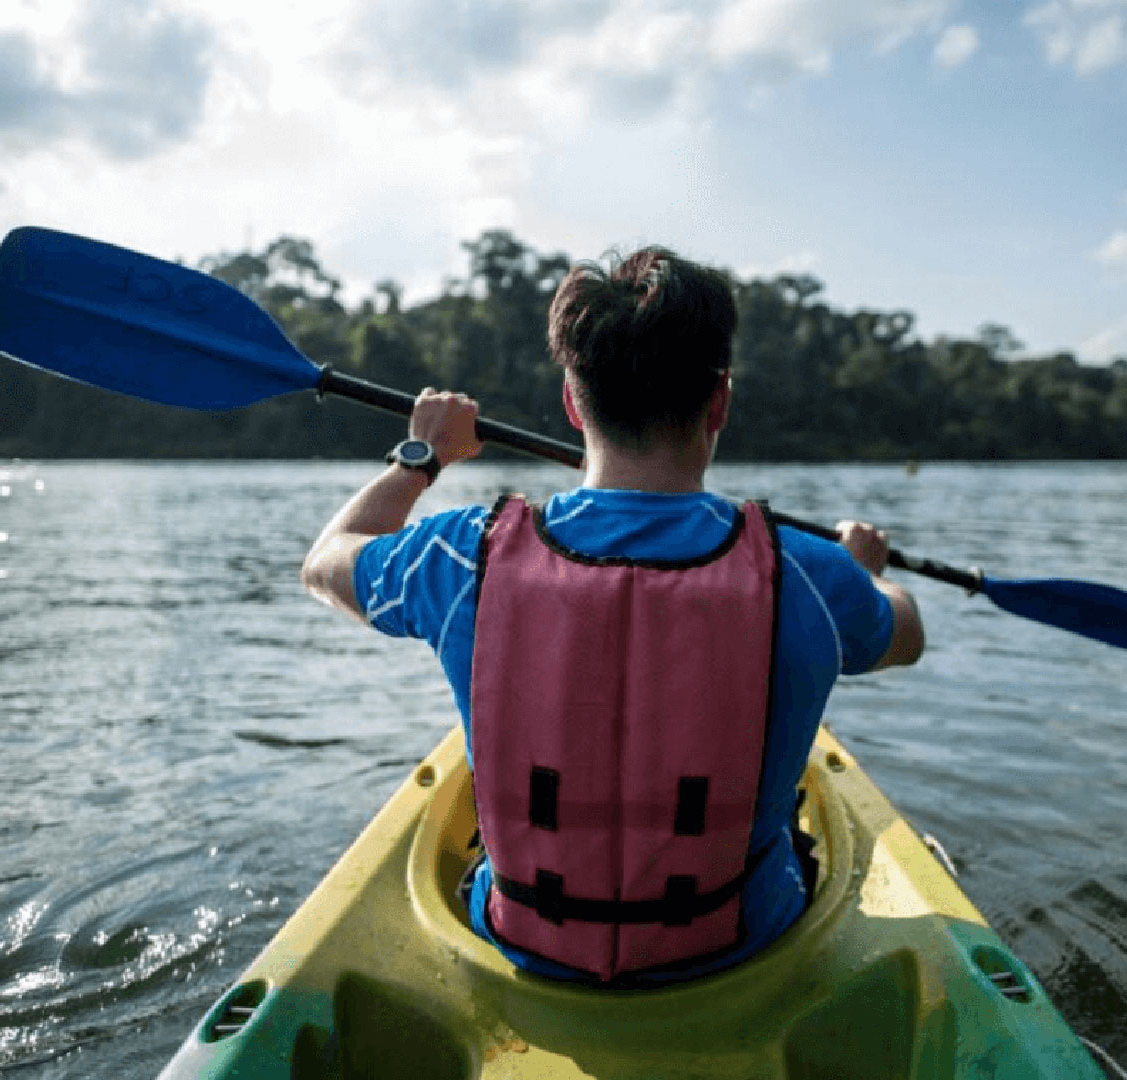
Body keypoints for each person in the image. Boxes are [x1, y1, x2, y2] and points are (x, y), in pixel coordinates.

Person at [301, 246, 924, 987]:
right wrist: (864, 571)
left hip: (520, 945)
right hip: (744, 947)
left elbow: (326, 563)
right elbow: (905, 634)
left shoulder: (463, 554)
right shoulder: (809, 574)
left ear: (573, 402)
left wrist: (422, 458)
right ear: (719, 400)